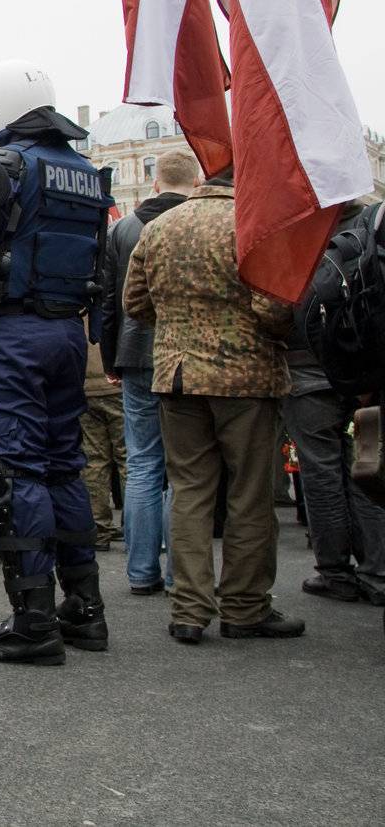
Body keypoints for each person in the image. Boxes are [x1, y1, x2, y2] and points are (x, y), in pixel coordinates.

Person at [0, 59, 113, 666]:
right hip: (68, 333)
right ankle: (85, 611)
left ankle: (33, 621)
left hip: (11, 335)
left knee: (13, 472)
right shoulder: (86, 171)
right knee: (64, 464)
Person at [124, 169, 304, 644]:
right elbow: (274, 309)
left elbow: (135, 303)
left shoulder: (160, 226)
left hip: (178, 375)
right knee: (248, 494)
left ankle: (188, 610)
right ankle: (244, 607)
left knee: (189, 491)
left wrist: (180, 324)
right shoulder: (251, 226)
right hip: (245, 377)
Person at [100, 148, 197, 594]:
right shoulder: (200, 223)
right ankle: (182, 573)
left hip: (135, 354)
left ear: (154, 182)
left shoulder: (122, 229)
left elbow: (107, 298)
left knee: (141, 464)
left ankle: (141, 572)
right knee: (185, 468)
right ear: (194, 184)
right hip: (187, 357)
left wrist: (110, 358)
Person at [286, 221, 385, 606]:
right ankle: (376, 570)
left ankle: (335, 572)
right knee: (367, 464)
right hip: (360, 372)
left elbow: (279, 314)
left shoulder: (298, 240)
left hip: (307, 370)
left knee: (320, 472)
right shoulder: (365, 235)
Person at [79, 344, 125, 550]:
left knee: (94, 460)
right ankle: (137, 527)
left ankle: (99, 529)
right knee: (129, 459)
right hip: (117, 381)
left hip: (86, 385)